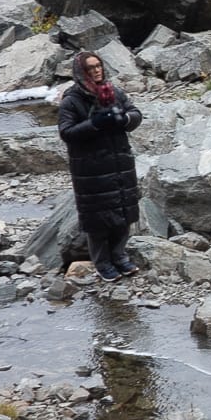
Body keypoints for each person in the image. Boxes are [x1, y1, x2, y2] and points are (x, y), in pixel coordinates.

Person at [56, 51, 145, 281]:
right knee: (97, 220)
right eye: (90, 68)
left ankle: (119, 255)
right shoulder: (71, 100)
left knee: (124, 212)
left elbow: (135, 113)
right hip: (90, 170)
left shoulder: (114, 92)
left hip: (119, 163)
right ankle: (102, 262)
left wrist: (124, 119)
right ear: (81, 72)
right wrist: (94, 123)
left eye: (98, 66)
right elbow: (67, 133)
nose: (97, 71)